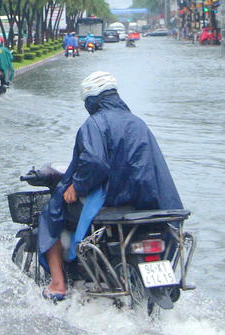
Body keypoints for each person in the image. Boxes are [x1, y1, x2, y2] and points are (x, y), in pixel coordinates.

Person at [38, 71, 184, 301]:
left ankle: (57, 284)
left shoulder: (94, 124)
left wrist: (76, 186)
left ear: (91, 100)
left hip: (112, 197)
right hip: (144, 198)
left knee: (50, 213)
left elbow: (95, 162)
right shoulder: (137, 122)